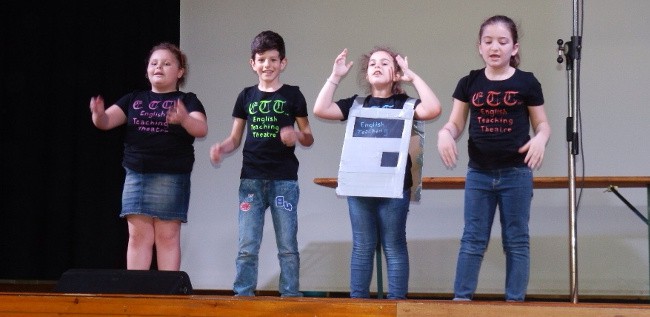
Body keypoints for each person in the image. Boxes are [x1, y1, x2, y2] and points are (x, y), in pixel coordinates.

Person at [437, 15, 551, 302]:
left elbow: (542, 124)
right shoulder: (469, 82)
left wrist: (540, 139)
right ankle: (461, 302)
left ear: (514, 48)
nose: (494, 47)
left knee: (516, 240)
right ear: (479, 47)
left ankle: (515, 303)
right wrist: (445, 133)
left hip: (516, 173)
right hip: (479, 174)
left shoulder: (527, 82)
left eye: (502, 41)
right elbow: (456, 123)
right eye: (488, 41)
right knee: (473, 239)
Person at [314, 47, 442, 299]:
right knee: (362, 246)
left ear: (395, 74)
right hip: (359, 186)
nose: (377, 66)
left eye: (385, 63)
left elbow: (434, 108)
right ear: (366, 72)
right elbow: (320, 109)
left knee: (394, 246)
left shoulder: (405, 104)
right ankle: (357, 304)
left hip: (394, 186)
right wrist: (335, 76)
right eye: (373, 63)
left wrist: (413, 77)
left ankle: (397, 304)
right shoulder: (355, 104)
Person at [209, 30, 314, 297]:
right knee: (247, 245)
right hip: (251, 180)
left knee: (287, 245)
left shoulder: (293, 95)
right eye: (262, 60)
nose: (267, 65)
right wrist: (223, 147)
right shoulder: (246, 97)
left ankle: (290, 296)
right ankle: (243, 296)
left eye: (273, 59)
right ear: (252, 64)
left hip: (284, 180)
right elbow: (235, 138)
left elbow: (309, 137)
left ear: (283, 63)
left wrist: (296, 135)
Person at [90, 42, 208, 271]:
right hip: (136, 175)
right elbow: (105, 122)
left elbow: (201, 129)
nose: (158, 68)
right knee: (137, 237)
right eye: (154, 63)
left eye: (166, 63)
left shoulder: (187, 100)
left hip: (171, 176)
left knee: (167, 237)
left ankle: (167, 297)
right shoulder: (134, 98)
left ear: (180, 72)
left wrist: (184, 119)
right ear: (147, 71)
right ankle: (136, 296)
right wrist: (98, 114)